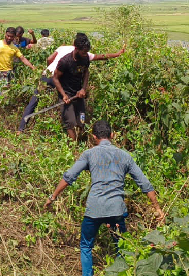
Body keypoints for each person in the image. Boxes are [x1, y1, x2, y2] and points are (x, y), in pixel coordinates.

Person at [44, 120, 164, 276]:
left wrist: (52, 197)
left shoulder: (89, 154)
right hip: (116, 210)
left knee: (86, 246)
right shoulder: (125, 156)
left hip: (94, 209)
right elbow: (145, 184)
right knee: (121, 247)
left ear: (94, 137)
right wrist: (157, 208)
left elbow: (69, 176)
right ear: (112, 135)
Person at [18, 36, 126, 133]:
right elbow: (102, 56)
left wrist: (49, 69)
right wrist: (117, 54)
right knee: (67, 99)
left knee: (34, 101)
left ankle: (21, 128)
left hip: (47, 75)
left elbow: (49, 59)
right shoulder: (83, 53)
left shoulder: (63, 47)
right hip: (57, 77)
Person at [53, 33, 93, 141]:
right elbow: (55, 78)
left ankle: (81, 141)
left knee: (82, 120)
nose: (85, 54)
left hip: (78, 94)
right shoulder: (65, 61)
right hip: (66, 95)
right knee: (70, 122)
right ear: (76, 48)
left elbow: (86, 73)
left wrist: (83, 88)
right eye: (83, 52)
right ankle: (72, 147)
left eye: (87, 52)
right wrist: (63, 95)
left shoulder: (85, 58)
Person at [0, 27, 37, 102]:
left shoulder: (14, 48)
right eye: (8, 36)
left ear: (14, 37)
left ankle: (3, 109)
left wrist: (32, 67)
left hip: (9, 73)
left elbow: (22, 58)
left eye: (11, 36)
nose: (9, 38)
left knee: (6, 93)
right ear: (5, 34)